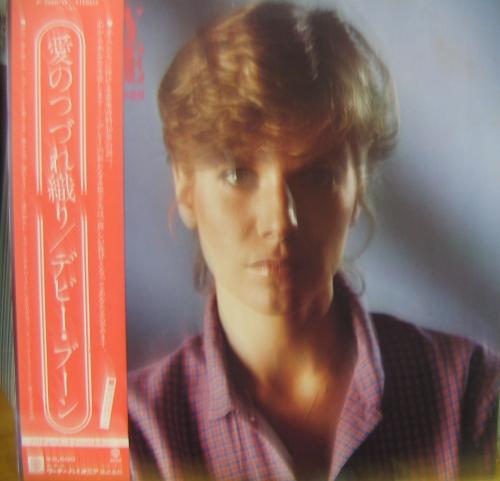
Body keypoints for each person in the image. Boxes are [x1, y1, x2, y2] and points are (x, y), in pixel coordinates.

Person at [128, 2, 500, 480]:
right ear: (184, 187)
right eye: (237, 174)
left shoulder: (470, 395)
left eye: (318, 176)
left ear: (358, 188)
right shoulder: (138, 432)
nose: (280, 220)